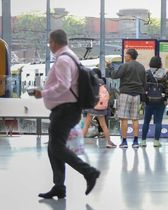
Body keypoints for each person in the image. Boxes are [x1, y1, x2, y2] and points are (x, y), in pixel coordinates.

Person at [33, 29, 100, 199]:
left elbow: (63, 85)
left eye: (50, 42)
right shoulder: (70, 56)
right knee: (53, 147)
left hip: (66, 110)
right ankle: (59, 186)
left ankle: (89, 172)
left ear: (54, 42)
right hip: (66, 109)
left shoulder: (63, 60)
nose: (49, 46)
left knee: (56, 146)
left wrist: (43, 93)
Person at [111, 48, 146, 148]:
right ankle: (135, 142)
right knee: (135, 119)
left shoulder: (125, 66)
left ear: (130, 56)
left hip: (125, 93)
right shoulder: (141, 67)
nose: (125, 56)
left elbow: (115, 76)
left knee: (124, 118)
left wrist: (111, 67)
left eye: (126, 55)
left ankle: (124, 141)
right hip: (137, 95)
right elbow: (144, 82)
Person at [141, 56, 168, 147]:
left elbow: (143, 87)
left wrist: (144, 98)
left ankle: (143, 141)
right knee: (158, 121)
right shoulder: (165, 74)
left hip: (149, 100)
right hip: (160, 101)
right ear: (160, 63)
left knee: (146, 121)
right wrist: (165, 98)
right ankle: (156, 141)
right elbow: (167, 88)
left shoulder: (147, 73)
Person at [82, 68, 116, 148]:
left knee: (86, 125)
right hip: (100, 107)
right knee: (104, 125)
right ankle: (109, 142)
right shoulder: (103, 83)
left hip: (91, 106)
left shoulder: (90, 82)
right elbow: (108, 95)